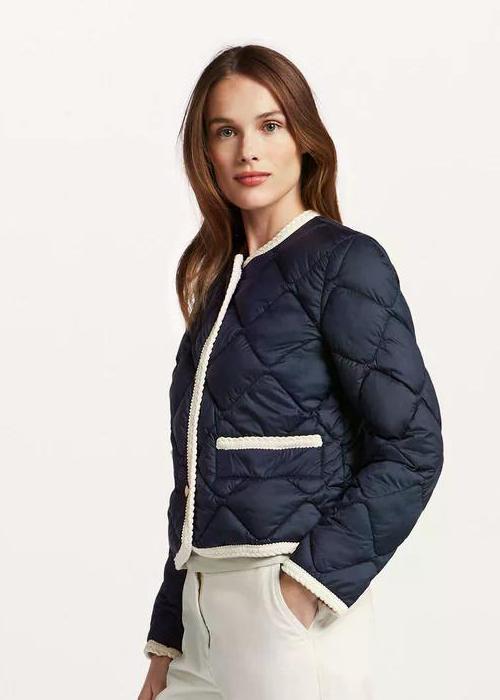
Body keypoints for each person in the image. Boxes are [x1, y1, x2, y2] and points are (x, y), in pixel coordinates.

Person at [138, 44, 444, 700]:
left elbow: (413, 447)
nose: (248, 150)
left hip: (284, 608)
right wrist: (168, 639)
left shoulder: (344, 263)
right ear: (205, 152)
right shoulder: (218, 286)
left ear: (303, 138)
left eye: (269, 125)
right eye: (226, 131)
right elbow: (193, 483)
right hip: (201, 615)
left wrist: (300, 591)